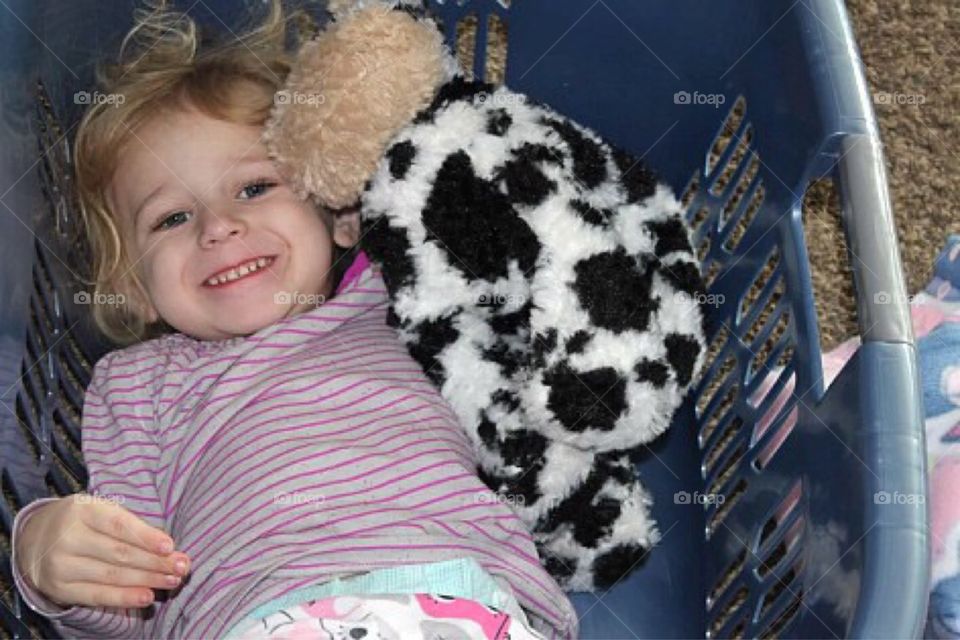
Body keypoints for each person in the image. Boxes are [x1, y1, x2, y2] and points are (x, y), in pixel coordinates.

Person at [9, 1, 579, 638]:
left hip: (456, 598)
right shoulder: (138, 385)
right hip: (258, 616)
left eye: (254, 188)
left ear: (339, 216)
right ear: (132, 288)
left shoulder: (400, 303)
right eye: (172, 218)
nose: (219, 226)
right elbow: (126, 586)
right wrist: (45, 548)